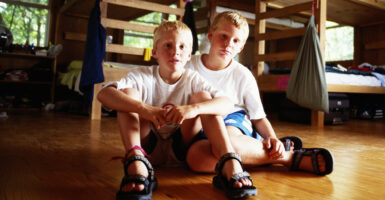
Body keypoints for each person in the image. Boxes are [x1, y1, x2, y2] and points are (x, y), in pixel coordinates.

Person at [97, 20, 257, 200]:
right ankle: (136, 162)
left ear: (189, 55)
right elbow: (104, 94)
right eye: (168, 45)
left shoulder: (193, 79)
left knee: (203, 97)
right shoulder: (141, 75)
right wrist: (144, 109)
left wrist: (192, 109)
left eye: (182, 46)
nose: (175, 51)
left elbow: (227, 103)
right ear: (155, 52)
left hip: (184, 147)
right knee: (127, 94)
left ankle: (229, 161)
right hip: (148, 148)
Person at [185, 10, 334, 184]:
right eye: (223, 36)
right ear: (211, 35)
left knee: (230, 140)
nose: (228, 44)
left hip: (233, 123)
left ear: (241, 47)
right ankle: (266, 156)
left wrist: (273, 138)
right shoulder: (189, 65)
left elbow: (258, 117)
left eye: (235, 41)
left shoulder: (243, 75)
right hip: (203, 124)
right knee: (195, 159)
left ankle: (288, 157)